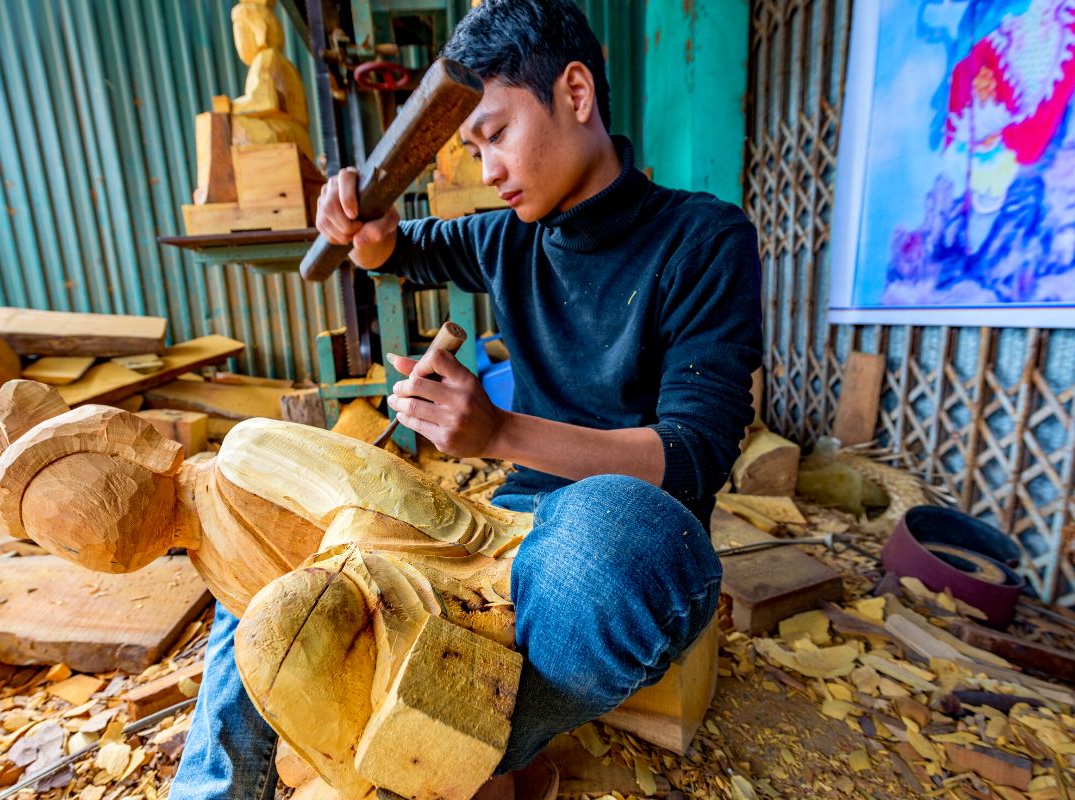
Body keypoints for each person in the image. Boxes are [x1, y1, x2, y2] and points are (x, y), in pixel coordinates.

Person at [170, 1, 761, 797]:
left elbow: (693, 457)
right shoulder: (510, 234)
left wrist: (498, 431)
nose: (486, 171)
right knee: (261, 496)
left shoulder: (705, 240)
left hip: (597, 539)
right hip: (488, 530)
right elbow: (396, 249)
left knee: (620, 543)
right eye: (472, 148)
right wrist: (359, 221)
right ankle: (225, 788)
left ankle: (431, 752)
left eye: (497, 135)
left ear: (576, 93)